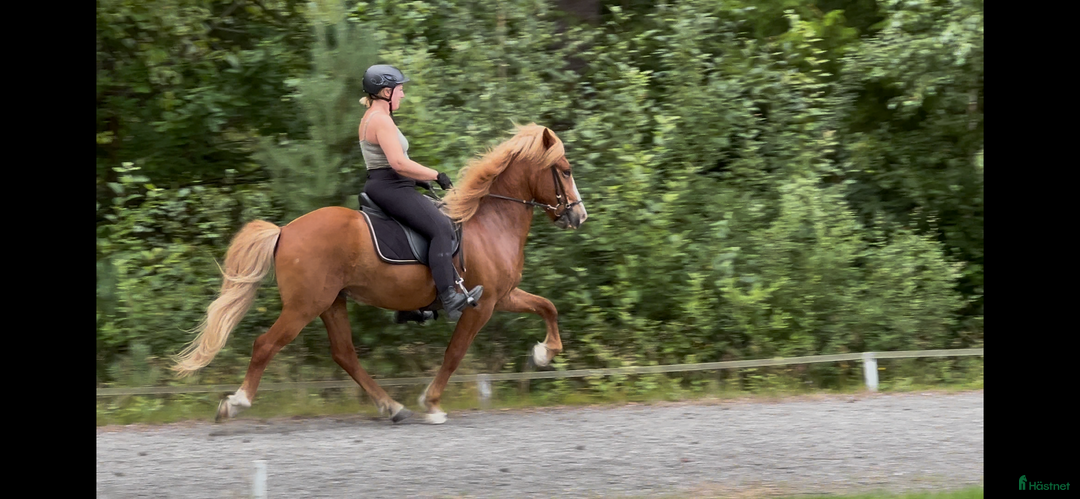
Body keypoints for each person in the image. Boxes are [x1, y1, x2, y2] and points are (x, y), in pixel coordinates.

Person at [357, 64, 483, 321]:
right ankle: (449, 296)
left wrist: (418, 180)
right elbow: (399, 163)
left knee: (420, 228)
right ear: (385, 92)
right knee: (441, 228)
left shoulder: (376, 117)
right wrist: (435, 175)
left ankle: (409, 306)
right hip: (390, 187)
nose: (402, 94)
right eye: (400, 89)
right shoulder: (380, 120)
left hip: (393, 184)